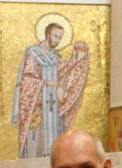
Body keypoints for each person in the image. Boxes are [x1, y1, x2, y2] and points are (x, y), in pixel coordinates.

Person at [12, 17, 90, 159]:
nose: (57, 40)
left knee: (54, 145)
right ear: (47, 35)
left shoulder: (56, 58)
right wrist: (45, 84)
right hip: (37, 109)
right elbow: (26, 80)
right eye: (55, 36)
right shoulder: (33, 54)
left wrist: (77, 58)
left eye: (59, 38)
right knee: (35, 144)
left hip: (54, 111)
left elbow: (65, 74)